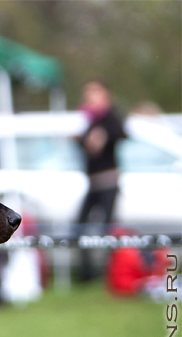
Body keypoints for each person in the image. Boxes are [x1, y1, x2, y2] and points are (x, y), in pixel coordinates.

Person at [75, 80, 126, 281]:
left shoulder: (111, 118)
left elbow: (120, 134)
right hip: (93, 182)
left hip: (108, 182)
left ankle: (111, 272)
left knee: (107, 228)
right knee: (79, 226)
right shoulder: (87, 119)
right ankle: (87, 274)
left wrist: (102, 135)